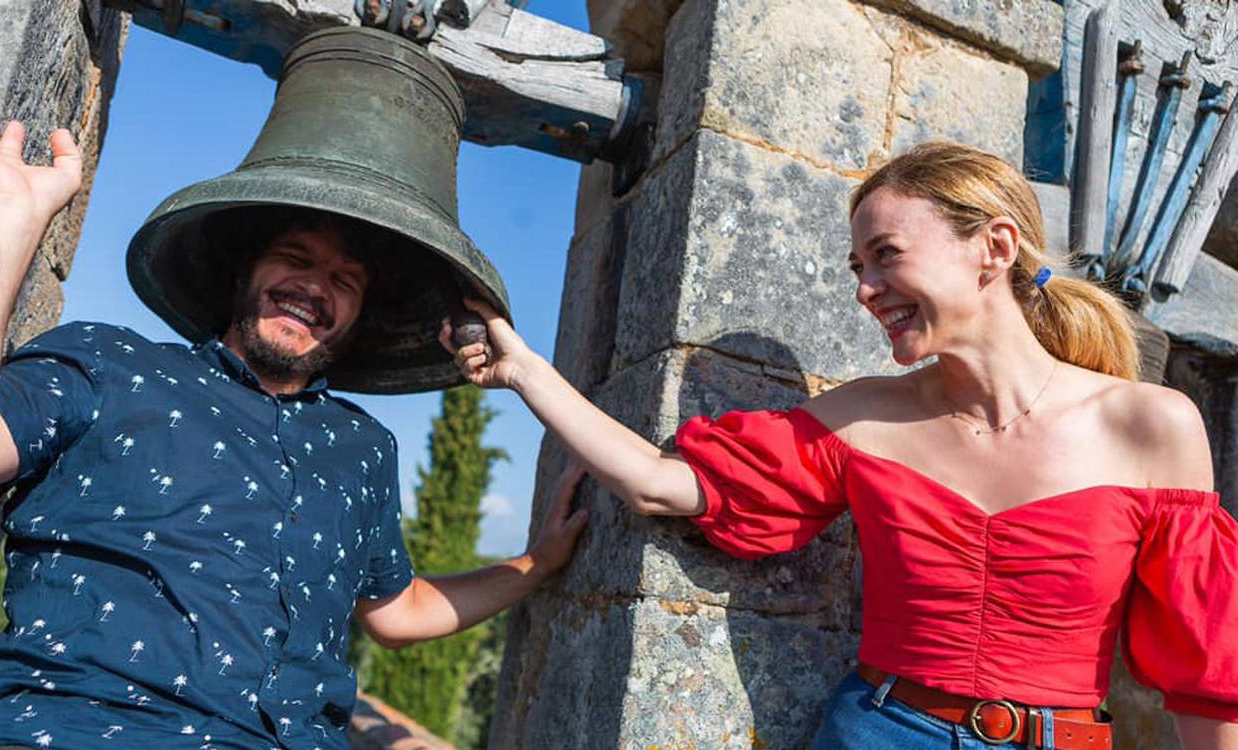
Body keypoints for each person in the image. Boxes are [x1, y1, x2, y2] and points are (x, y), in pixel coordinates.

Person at [447, 141, 1238, 749]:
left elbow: (1205, 672)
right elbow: (662, 484)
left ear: (994, 249)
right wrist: (525, 370)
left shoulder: (1152, 425)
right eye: (857, 267)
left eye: (886, 256)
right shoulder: (861, 418)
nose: (864, 290)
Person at [0, 120, 588, 749]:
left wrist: (536, 565)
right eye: (295, 259)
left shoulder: (364, 450)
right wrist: (10, 225)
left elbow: (399, 609)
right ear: (244, 271)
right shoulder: (109, 363)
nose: (315, 286)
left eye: (345, 281)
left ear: (360, 316)